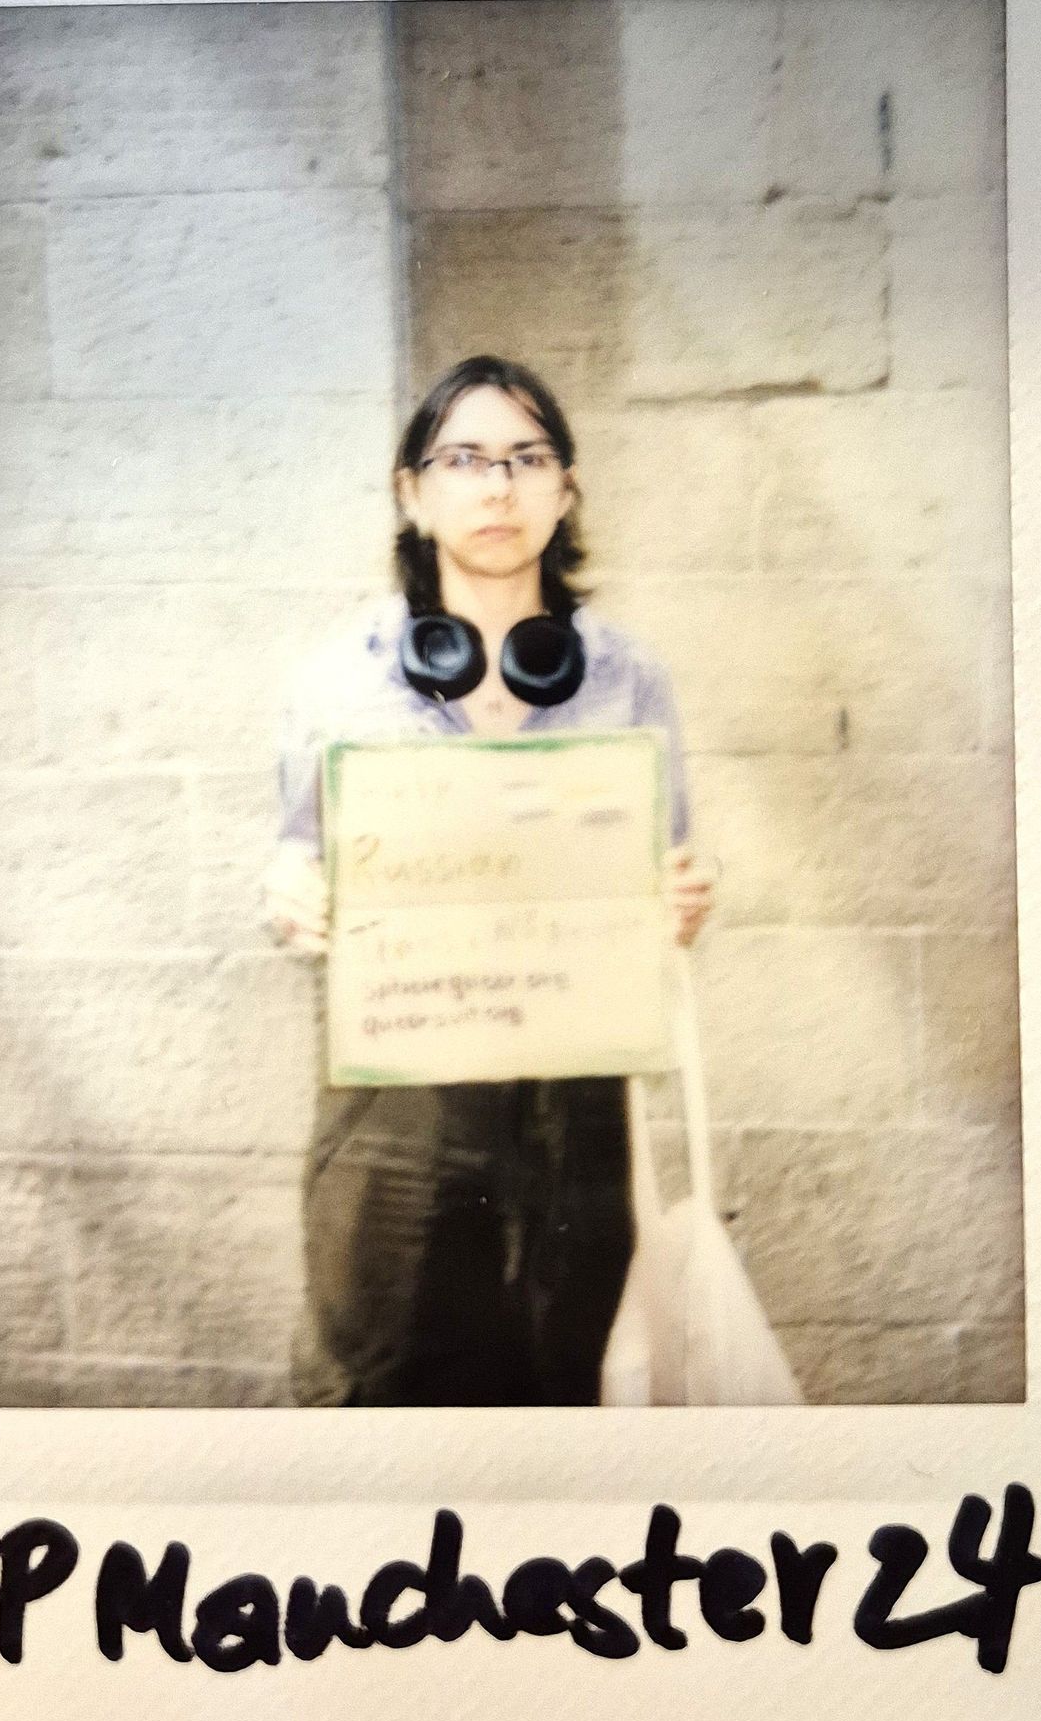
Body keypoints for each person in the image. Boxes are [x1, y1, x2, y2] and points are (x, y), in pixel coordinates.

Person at [264, 354, 713, 1407]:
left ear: (564, 492)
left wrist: (682, 896)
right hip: (395, 1106)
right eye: (464, 457)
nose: (498, 485)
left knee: (557, 1381)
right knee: (377, 1383)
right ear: (413, 493)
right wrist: (290, 891)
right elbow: (296, 852)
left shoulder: (629, 674)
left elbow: (668, 870)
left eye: (527, 457)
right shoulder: (338, 677)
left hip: (575, 1105)